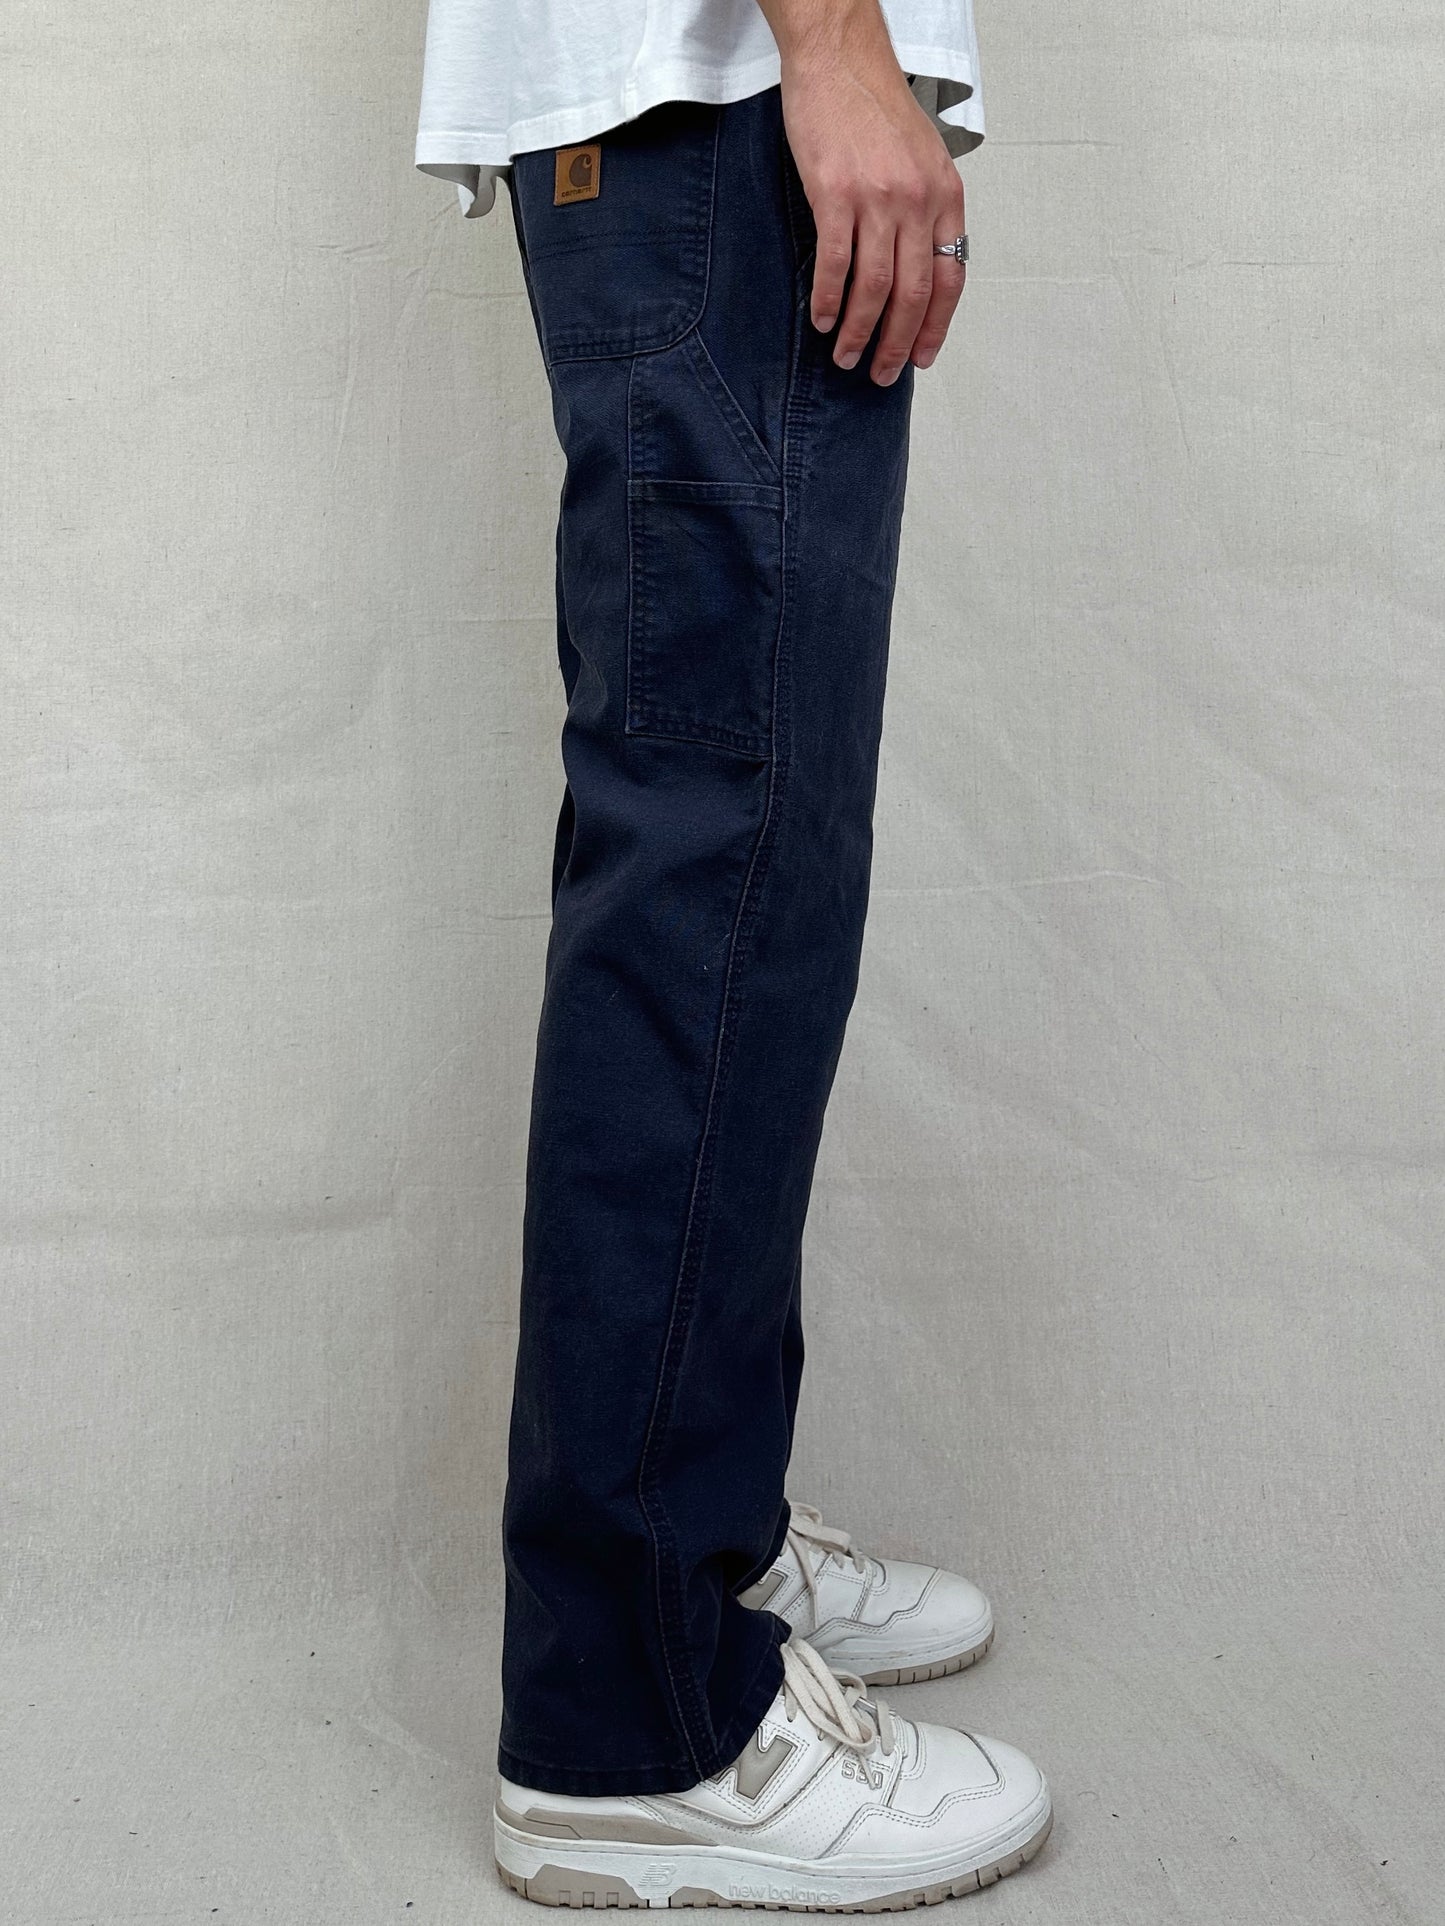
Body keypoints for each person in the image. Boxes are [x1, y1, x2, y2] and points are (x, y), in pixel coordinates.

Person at [414, 0, 1053, 1908]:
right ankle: (639, 1717)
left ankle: (711, 1544)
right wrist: (835, 45)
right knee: (710, 877)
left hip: (708, 117)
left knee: (749, 877)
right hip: (717, 111)